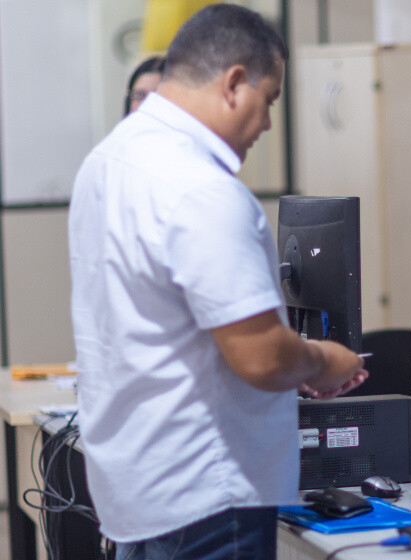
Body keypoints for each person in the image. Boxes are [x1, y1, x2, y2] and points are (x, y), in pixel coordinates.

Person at [69, 5, 367, 558]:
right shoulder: (202, 189)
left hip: (136, 492)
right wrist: (328, 361)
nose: (268, 124)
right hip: (207, 497)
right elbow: (261, 359)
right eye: (269, 100)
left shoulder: (106, 162)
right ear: (233, 83)